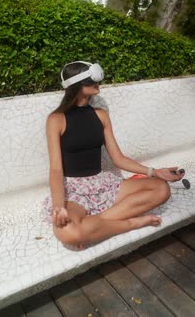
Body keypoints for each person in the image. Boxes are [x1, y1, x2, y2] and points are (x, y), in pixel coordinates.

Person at [45, 61, 184, 249]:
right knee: (67, 233)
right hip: (74, 190)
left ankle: (93, 225)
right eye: (91, 81)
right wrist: (58, 205)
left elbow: (118, 159)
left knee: (161, 189)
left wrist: (155, 172)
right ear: (76, 85)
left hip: (102, 183)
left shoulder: (101, 115)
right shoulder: (56, 119)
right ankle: (130, 224)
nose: (98, 84)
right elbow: (55, 169)